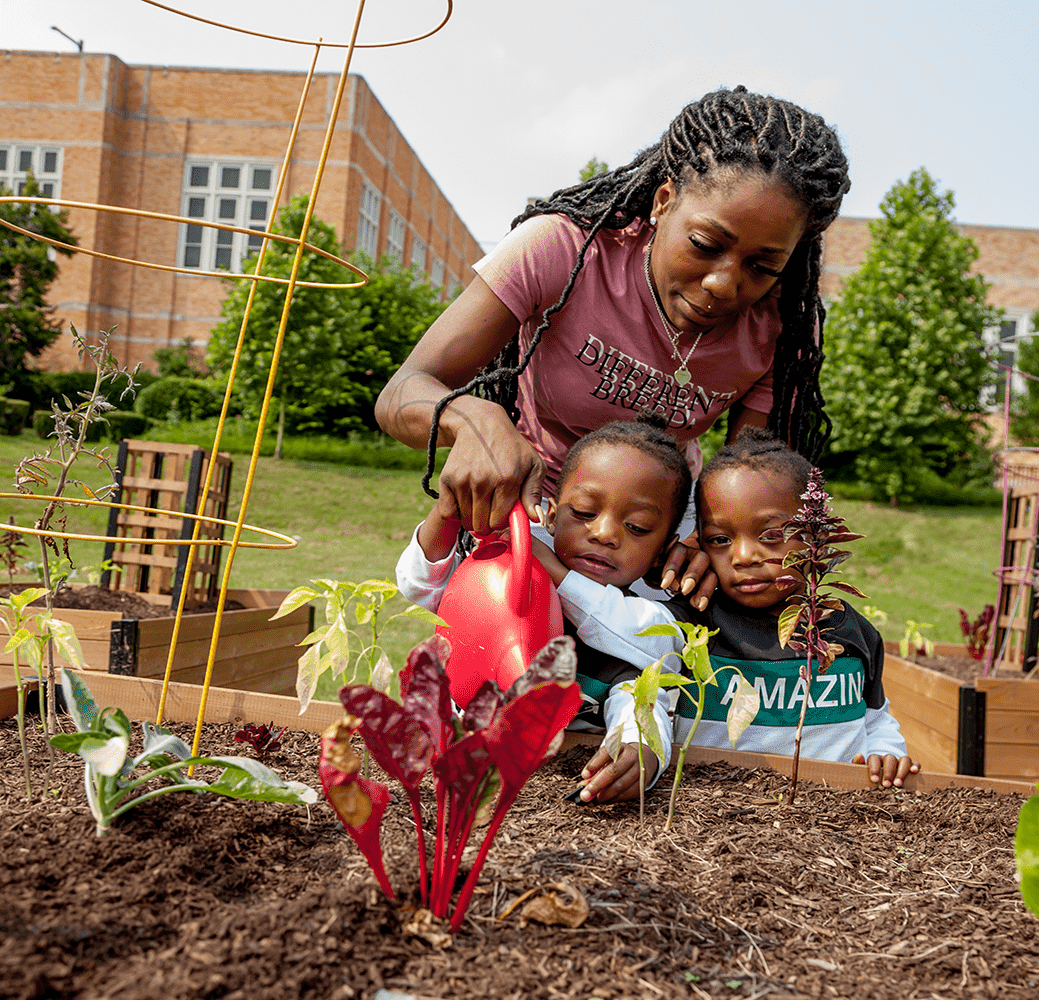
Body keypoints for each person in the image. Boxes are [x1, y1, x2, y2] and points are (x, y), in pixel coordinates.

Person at [375, 86, 849, 609]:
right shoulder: (560, 248)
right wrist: (473, 419)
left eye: (762, 267)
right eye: (705, 245)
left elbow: (759, 478)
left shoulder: (780, 324)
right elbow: (401, 393)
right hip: (534, 519)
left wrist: (699, 539)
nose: (723, 284)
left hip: (657, 540)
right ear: (664, 202)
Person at [536, 428, 920, 788]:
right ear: (698, 545)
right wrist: (556, 571)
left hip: (833, 811)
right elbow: (620, 624)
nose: (743, 556)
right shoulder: (697, 620)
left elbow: (875, 717)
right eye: (719, 539)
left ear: (817, 535)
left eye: (771, 536)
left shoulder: (854, 631)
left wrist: (887, 753)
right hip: (717, 805)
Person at [395, 415, 693, 804]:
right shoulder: (513, 567)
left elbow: (649, 679)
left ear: (662, 552)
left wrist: (642, 749)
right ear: (551, 516)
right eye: (585, 512)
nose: (604, 533)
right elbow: (422, 591)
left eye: (637, 527)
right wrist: (447, 514)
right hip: (459, 761)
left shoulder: (646, 618)